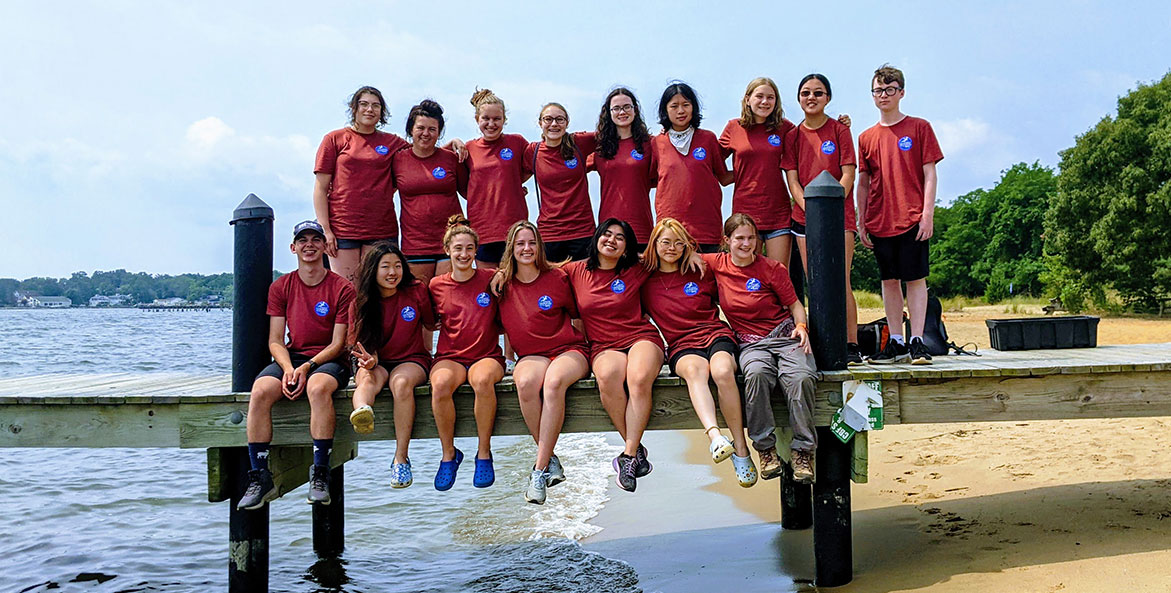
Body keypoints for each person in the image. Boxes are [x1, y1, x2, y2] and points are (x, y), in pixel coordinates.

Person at [237, 220, 356, 510]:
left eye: (316, 239)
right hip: (294, 356)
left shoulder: (342, 288)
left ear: (325, 246)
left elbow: (339, 343)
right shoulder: (282, 286)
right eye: (303, 240)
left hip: (330, 359)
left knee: (317, 388)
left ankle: (320, 473)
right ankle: (260, 474)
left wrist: (307, 368)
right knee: (261, 390)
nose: (310, 245)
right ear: (293, 248)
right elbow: (276, 340)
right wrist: (289, 368)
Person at [640, 218, 757, 487]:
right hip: (681, 343)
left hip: (716, 334)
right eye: (665, 242)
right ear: (655, 244)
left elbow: (731, 264)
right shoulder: (644, 278)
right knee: (695, 372)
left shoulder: (700, 268)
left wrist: (694, 253)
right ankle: (715, 437)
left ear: (687, 246)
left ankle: (741, 450)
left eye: (679, 243)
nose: (672, 248)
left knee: (723, 371)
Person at [704, 214, 819, 484]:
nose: (746, 244)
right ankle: (766, 450)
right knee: (755, 376)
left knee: (800, 378)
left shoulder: (772, 268)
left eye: (751, 238)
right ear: (726, 241)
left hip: (785, 336)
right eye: (740, 238)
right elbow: (680, 256)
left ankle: (803, 452)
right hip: (751, 343)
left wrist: (801, 326)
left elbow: (794, 305)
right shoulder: (716, 264)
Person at [563, 219, 665, 492]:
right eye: (606, 234)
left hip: (641, 337)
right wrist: (500, 275)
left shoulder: (637, 268)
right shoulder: (575, 270)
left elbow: (669, 252)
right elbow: (539, 270)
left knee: (639, 376)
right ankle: (635, 449)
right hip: (604, 345)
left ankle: (628, 456)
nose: (611, 240)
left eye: (620, 238)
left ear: (627, 247)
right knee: (607, 376)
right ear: (596, 238)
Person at [495, 220, 590, 504]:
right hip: (531, 355)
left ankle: (538, 471)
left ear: (540, 247)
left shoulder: (557, 277)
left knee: (554, 383)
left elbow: (578, 317)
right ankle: (550, 460)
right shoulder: (500, 283)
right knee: (524, 383)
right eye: (520, 243)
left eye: (532, 242)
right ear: (511, 248)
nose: (526, 248)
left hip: (568, 350)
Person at [856, 64, 944, 365]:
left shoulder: (919, 127)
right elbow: (864, 181)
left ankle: (917, 340)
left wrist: (927, 214)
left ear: (901, 92)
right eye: (878, 90)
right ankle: (895, 340)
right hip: (880, 219)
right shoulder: (866, 137)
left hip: (912, 216)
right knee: (889, 280)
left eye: (889, 89)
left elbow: (930, 173)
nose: (884, 95)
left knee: (915, 279)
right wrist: (861, 219)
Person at [782, 74, 863, 365]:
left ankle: (851, 343)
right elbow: (792, 179)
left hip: (839, 217)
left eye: (818, 93)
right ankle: (818, 344)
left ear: (828, 97)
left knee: (840, 280)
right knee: (814, 281)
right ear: (799, 98)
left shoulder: (840, 130)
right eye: (805, 93)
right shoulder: (792, 135)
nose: (811, 98)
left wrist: (830, 207)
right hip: (804, 219)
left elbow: (849, 172)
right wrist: (812, 210)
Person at [348, 241, 436, 488]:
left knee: (401, 383)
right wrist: (371, 359)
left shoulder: (416, 290)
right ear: (372, 270)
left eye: (397, 266)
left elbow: (431, 322)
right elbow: (360, 344)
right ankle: (363, 411)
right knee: (366, 378)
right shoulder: (361, 301)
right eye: (385, 266)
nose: (392, 272)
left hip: (412, 358)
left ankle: (400, 458)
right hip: (376, 359)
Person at [427, 216, 505, 490]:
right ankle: (449, 454)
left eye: (469, 248)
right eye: (458, 248)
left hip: (487, 355)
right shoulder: (436, 285)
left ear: (476, 251)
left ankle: (484, 452)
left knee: (482, 381)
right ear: (447, 249)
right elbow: (426, 323)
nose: (464, 254)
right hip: (451, 356)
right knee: (439, 384)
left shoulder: (490, 277)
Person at [313, 86, 408, 284]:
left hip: (382, 229)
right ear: (354, 108)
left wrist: (454, 144)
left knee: (378, 292)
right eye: (364, 104)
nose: (369, 110)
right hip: (343, 229)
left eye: (376, 106)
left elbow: (423, 153)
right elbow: (320, 189)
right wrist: (326, 230)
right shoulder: (334, 139)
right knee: (348, 291)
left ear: (382, 112)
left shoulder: (392, 142)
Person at [718, 77, 797, 265]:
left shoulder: (785, 128)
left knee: (778, 274)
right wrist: (734, 175)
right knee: (748, 272)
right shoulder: (733, 127)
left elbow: (811, 138)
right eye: (759, 96)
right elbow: (711, 161)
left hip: (778, 212)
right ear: (747, 99)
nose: (765, 101)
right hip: (745, 213)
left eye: (771, 97)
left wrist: (841, 123)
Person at [392, 99, 467, 286]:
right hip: (415, 244)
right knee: (419, 300)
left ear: (439, 132)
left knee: (447, 299)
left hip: (452, 241)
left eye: (432, 129)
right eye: (420, 128)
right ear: (411, 130)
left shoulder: (450, 159)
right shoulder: (397, 159)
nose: (426, 134)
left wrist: (515, 187)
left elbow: (472, 192)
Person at [651, 82, 732, 251]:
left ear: (693, 108)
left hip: (706, 227)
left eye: (686, 105)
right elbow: (650, 179)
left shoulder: (708, 139)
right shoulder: (656, 143)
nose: (681, 111)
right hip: (671, 229)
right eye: (674, 106)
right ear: (665, 110)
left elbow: (723, 176)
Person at [463, 89, 531, 267]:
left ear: (504, 120)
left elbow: (535, 165)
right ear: (477, 119)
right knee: (489, 286)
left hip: (514, 227)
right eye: (486, 118)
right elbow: (462, 184)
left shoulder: (517, 142)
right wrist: (453, 142)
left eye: (497, 119)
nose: (491, 124)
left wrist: (514, 185)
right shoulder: (469, 148)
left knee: (516, 288)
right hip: (482, 228)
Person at [524, 103, 598, 261]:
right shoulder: (532, 151)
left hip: (583, 231)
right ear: (540, 123)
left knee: (583, 284)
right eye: (548, 119)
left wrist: (662, 131)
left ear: (567, 122)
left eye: (559, 119)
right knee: (552, 284)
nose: (554, 124)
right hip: (550, 234)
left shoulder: (579, 142)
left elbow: (613, 133)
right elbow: (510, 174)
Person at [588, 87, 656, 248]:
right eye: (616, 108)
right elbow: (569, 173)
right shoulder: (600, 147)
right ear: (609, 112)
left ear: (635, 109)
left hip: (641, 226)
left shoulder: (651, 144)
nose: (622, 112)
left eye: (627, 107)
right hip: (609, 228)